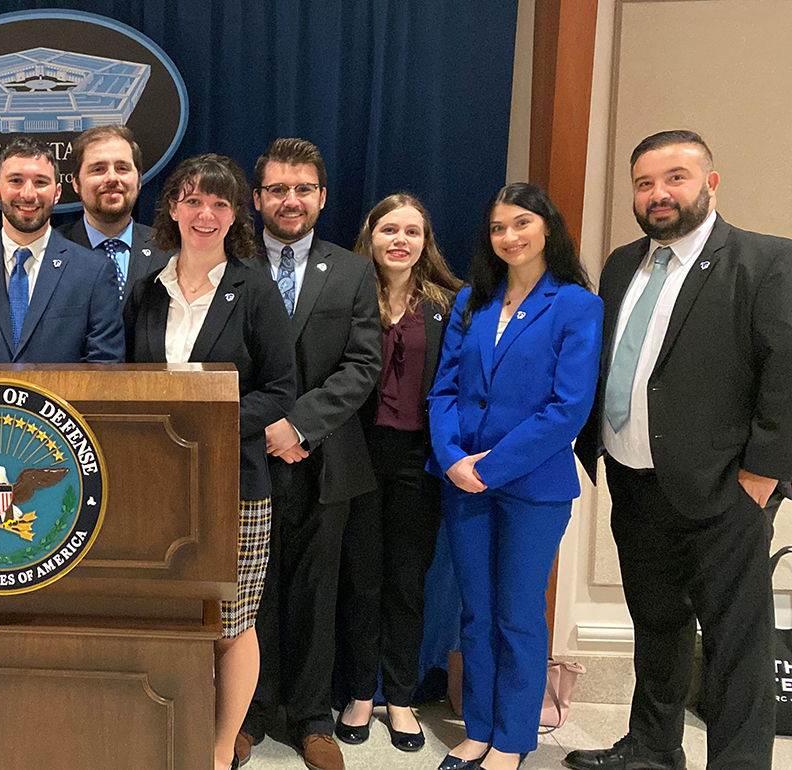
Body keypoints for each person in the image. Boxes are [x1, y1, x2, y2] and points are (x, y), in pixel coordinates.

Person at [568, 131, 792, 770]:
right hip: (635, 481)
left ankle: (738, 763)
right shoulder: (621, 263)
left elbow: (787, 373)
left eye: (675, 178)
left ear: (710, 184)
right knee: (657, 625)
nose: (658, 194)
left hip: (727, 489)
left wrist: (762, 474)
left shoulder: (765, 261)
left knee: (735, 640)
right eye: (644, 183)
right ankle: (652, 747)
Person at [124, 153, 294, 770]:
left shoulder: (254, 288)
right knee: (168, 615)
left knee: (233, 619)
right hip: (156, 487)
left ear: (235, 215)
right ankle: (166, 734)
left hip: (235, 484)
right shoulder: (146, 289)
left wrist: (204, 424)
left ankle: (220, 750)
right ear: (172, 207)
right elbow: (128, 383)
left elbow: (280, 389)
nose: (206, 213)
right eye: (194, 200)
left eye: (220, 204)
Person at [427, 182, 601, 770]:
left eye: (521, 224)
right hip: (463, 481)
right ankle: (478, 728)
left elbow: (567, 408)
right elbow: (444, 389)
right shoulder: (473, 300)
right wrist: (453, 458)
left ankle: (513, 739)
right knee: (475, 611)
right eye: (499, 228)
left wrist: (491, 467)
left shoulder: (577, 303)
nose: (510, 237)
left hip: (532, 488)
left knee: (518, 613)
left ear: (547, 227)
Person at [237, 138, 381, 770]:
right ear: (257, 197)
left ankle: (311, 715)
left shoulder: (350, 270)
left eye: (302, 190)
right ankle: (249, 711)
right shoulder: (232, 263)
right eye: (276, 189)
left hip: (325, 461)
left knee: (318, 590)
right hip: (247, 457)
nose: (289, 201)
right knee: (251, 590)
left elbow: (362, 363)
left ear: (321, 197)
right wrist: (265, 427)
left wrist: (300, 425)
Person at [332, 193, 460, 753]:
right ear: (372, 236)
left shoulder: (450, 307)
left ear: (425, 242)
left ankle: (401, 698)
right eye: (389, 229)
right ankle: (361, 692)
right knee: (360, 579)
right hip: (357, 455)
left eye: (412, 231)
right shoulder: (347, 295)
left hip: (418, 459)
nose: (400, 240)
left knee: (407, 583)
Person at [0, 135, 124, 363]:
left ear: (57, 193)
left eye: (40, 182)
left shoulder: (93, 271)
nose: (28, 194)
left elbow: (105, 365)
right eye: (16, 181)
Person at [54, 125, 172, 302]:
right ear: (76, 183)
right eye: (98, 169)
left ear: (139, 181)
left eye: (122, 168)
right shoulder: (51, 252)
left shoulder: (168, 252)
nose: (112, 178)